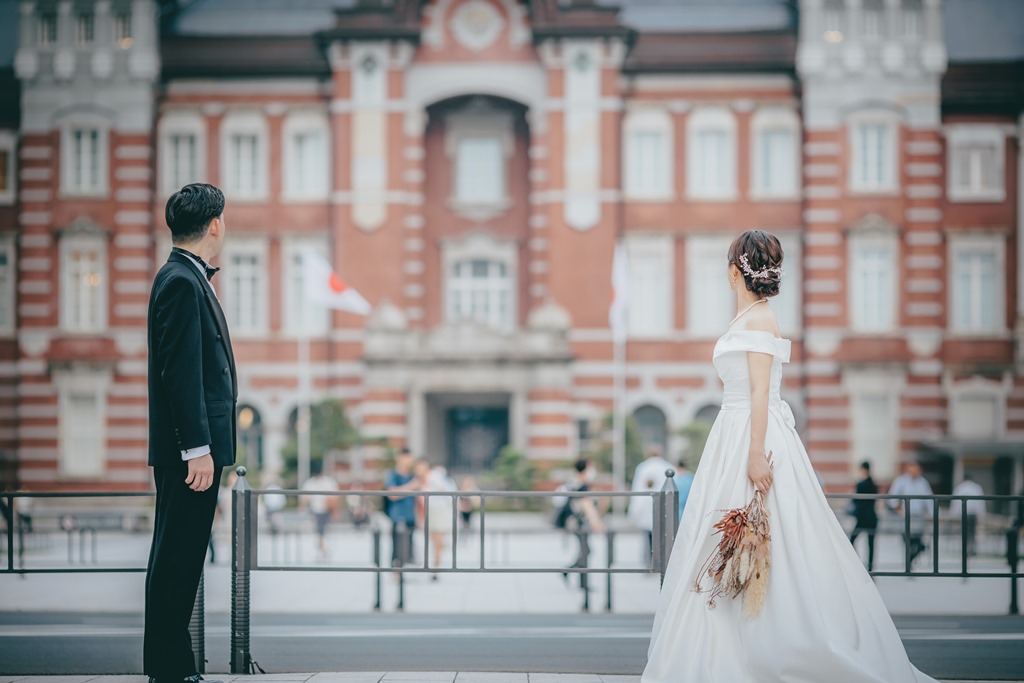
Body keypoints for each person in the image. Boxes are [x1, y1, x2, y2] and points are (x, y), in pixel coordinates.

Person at [643, 230, 939, 682]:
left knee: (763, 537)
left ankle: (769, 643)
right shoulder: (750, 320)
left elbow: (761, 391)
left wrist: (756, 453)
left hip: (751, 433)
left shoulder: (761, 320)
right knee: (727, 538)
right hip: (734, 431)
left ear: (734, 271)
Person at [145, 183, 234, 683]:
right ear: (215, 225)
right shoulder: (181, 280)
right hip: (191, 455)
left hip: (191, 451)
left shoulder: (183, 276)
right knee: (177, 564)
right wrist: (197, 449)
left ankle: (173, 669)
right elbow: (181, 373)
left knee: (179, 562)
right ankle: (169, 672)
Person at [561, 458, 605, 590]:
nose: (593, 471)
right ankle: (577, 579)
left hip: (573, 522)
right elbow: (587, 505)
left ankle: (574, 575)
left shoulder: (574, 481)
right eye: (590, 468)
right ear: (585, 469)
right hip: (579, 523)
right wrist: (596, 523)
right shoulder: (581, 485)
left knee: (585, 550)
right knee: (586, 550)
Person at [628, 445, 674, 568]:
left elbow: (637, 490)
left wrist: (633, 513)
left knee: (648, 539)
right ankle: (663, 564)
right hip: (664, 507)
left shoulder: (642, 467)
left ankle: (649, 564)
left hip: (645, 508)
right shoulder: (668, 466)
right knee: (663, 538)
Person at [888, 461, 934, 566]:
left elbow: (929, 499)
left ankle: (910, 561)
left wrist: (933, 514)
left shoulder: (923, 482)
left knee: (917, 541)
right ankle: (909, 562)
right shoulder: (901, 481)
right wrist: (897, 506)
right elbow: (892, 496)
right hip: (905, 516)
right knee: (907, 540)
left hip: (918, 516)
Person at [385, 449, 420, 569]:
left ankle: (404, 573)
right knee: (398, 547)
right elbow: (392, 494)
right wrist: (411, 486)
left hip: (411, 516)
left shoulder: (413, 475)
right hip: (398, 516)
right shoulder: (393, 474)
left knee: (409, 547)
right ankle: (396, 572)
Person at [300, 461, 340, 560]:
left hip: (323, 510)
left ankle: (323, 549)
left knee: (321, 531)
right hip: (318, 510)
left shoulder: (314, 482)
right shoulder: (326, 481)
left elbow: (333, 498)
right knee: (320, 532)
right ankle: (322, 549)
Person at [426, 465, 458, 580]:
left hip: (441, 512)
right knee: (436, 543)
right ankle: (434, 569)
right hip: (435, 511)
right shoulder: (433, 476)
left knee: (438, 543)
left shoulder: (445, 479)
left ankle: (435, 569)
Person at [849, 460, 879, 571]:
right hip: (872, 517)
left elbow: (856, 501)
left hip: (862, 518)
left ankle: (856, 565)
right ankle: (870, 568)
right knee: (871, 544)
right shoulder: (874, 484)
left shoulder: (860, 485)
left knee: (851, 540)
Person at [950, 474, 985, 557]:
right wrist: (981, 514)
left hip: (964, 513)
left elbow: (955, 502)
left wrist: (954, 513)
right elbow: (981, 502)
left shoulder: (960, 487)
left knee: (964, 532)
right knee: (972, 532)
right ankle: (972, 549)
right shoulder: (977, 487)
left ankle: (965, 549)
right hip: (973, 514)